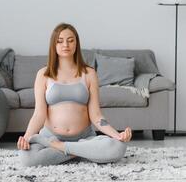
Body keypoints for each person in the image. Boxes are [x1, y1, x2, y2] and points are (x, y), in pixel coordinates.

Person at [17, 23, 132, 167]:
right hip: (49, 137)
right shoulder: (43, 75)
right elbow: (39, 114)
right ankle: (85, 153)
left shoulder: (89, 73)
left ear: (76, 43)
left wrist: (117, 135)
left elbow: (96, 116)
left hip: (84, 139)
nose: (66, 44)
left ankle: (62, 149)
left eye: (70, 40)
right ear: (54, 45)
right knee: (26, 158)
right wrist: (27, 138)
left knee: (118, 147)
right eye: (60, 41)